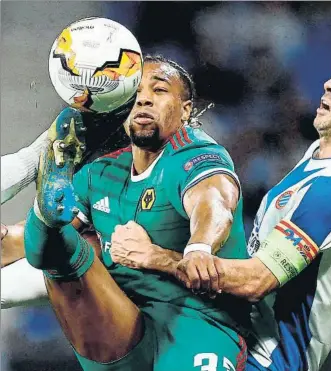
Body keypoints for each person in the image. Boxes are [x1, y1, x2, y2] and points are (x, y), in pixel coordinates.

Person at [2, 43, 331, 370]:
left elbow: (256, 279)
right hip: (218, 325)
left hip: (264, 358)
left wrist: (164, 256)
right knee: (88, 246)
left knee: (96, 255)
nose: (330, 82)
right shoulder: (323, 156)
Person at [18, 55, 250, 371]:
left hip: (198, 321)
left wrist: (199, 248)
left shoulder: (196, 154)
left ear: (185, 110)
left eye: (159, 90)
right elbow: (23, 245)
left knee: (70, 243)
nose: (143, 98)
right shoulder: (100, 172)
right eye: (135, 92)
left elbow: (214, 201)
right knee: (58, 245)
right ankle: (44, 209)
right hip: (122, 323)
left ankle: (46, 210)